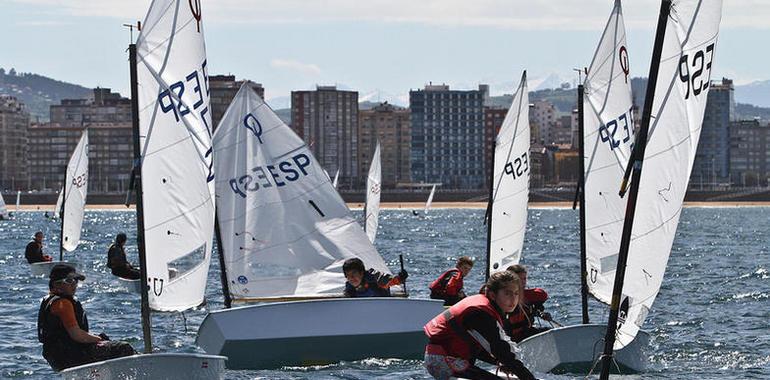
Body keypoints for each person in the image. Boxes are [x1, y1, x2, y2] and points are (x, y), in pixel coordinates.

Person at [423, 270, 536, 380]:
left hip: (444, 359)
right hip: (443, 361)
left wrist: (500, 362)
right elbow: (499, 349)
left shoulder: (484, 307)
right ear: (492, 295)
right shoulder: (480, 313)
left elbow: (477, 347)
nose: (513, 299)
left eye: (516, 293)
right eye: (507, 293)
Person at [37, 264, 135, 371]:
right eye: (69, 281)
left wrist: (96, 338)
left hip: (59, 357)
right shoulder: (62, 304)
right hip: (70, 355)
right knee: (122, 348)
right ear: (56, 284)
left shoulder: (49, 300)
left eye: (76, 281)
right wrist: (99, 339)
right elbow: (77, 335)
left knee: (107, 345)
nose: (74, 284)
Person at [505, 265, 551, 342]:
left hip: (527, 333)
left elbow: (536, 308)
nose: (523, 282)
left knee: (550, 332)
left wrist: (541, 314)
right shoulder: (503, 299)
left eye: (524, 278)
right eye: (519, 279)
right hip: (511, 338)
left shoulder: (530, 297)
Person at [342, 257, 408, 297]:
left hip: (383, 310)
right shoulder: (349, 288)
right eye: (348, 275)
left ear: (361, 273)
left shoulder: (375, 277)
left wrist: (400, 278)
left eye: (354, 274)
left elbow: (391, 281)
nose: (351, 278)